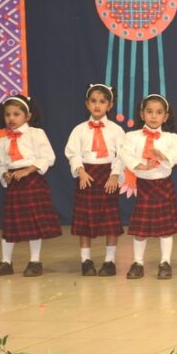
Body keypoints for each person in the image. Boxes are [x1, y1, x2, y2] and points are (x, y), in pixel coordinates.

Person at [0, 94, 62, 277]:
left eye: (16, 114)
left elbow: (48, 157)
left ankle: (35, 261)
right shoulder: (3, 141)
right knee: (10, 223)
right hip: (15, 184)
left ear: (27, 116)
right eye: (8, 114)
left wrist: (29, 170)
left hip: (32, 181)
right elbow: (2, 164)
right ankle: (6, 262)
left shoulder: (36, 134)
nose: (11, 118)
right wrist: (4, 174)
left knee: (33, 223)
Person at [119, 94, 177, 280]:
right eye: (149, 111)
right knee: (140, 229)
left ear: (166, 116)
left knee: (165, 229)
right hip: (144, 187)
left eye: (159, 112)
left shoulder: (171, 138)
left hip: (163, 185)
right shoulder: (131, 136)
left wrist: (165, 157)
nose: (154, 116)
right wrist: (141, 166)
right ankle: (138, 262)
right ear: (142, 114)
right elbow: (124, 153)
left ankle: (165, 262)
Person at [64, 84, 126, 276]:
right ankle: (86, 260)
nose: (97, 105)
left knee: (110, 221)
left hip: (108, 176)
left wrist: (115, 174)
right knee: (85, 220)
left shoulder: (116, 130)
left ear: (110, 105)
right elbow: (72, 152)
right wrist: (80, 170)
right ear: (87, 104)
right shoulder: (79, 130)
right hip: (87, 176)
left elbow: (122, 154)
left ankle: (110, 261)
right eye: (93, 101)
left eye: (102, 101)